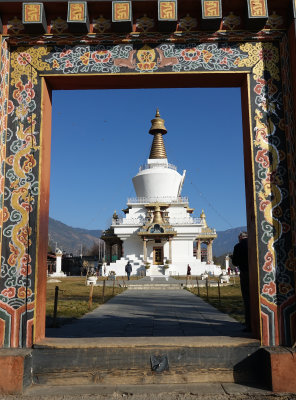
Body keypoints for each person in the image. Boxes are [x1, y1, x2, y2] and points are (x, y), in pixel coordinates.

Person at [231, 231, 250, 332]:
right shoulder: (254, 244)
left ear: (240, 237)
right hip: (258, 274)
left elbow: (235, 262)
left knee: (247, 299)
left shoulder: (238, 246)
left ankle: (249, 323)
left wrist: (232, 258)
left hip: (245, 273)